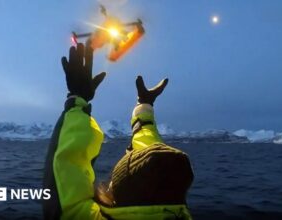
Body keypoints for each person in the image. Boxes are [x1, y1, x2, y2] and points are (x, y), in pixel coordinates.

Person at [43, 42, 194, 220]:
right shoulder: (179, 212)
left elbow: (64, 192)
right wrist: (144, 108)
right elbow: (155, 166)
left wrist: (77, 98)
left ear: (121, 193)